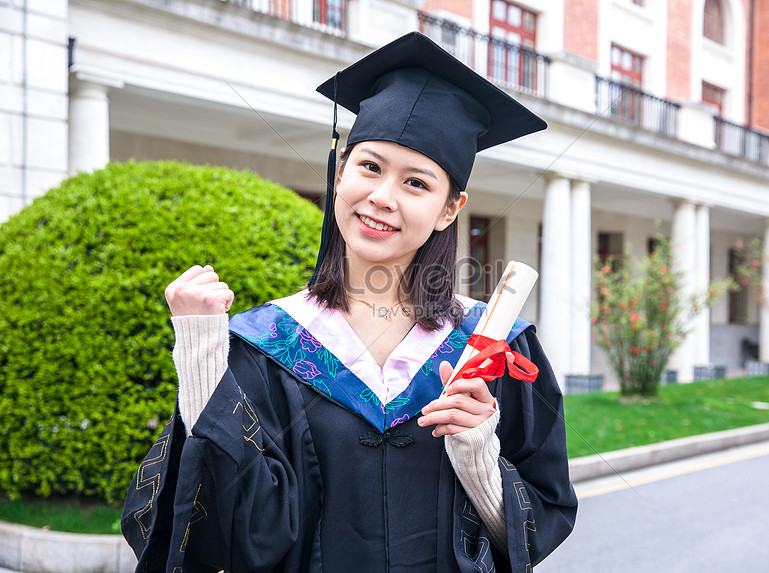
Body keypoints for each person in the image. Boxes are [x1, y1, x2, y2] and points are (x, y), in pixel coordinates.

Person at [122, 32, 577, 572]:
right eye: (369, 167)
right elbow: (223, 529)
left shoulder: (496, 347)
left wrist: (477, 450)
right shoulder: (268, 343)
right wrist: (200, 353)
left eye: (416, 182)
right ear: (340, 174)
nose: (383, 196)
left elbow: (535, 529)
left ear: (449, 209)